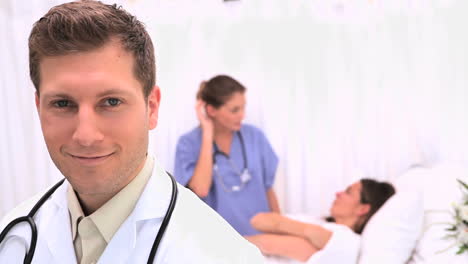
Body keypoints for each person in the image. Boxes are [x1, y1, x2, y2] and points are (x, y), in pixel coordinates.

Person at [0, 1, 264, 263]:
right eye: (62, 103)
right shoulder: (13, 236)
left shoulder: (225, 255)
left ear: (152, 108)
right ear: (38, 107)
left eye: (111, 102)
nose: (86, 136)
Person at [174, 75, 280, 236]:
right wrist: (208, 133)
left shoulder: (255, 136)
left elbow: (268, 189)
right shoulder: (188, 144)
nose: (242, 115)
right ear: (211, 110)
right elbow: (200, 189)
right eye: (234, 110)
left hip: (263, 239)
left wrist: (281, 227)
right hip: (219, 243)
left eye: (243, 108)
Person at [245, 178, 395, 263]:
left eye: (348, 192)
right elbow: (258, 220)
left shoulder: (349, 241)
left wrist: (281, 226)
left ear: (363, 209)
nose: (338, 193)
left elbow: (269, 244)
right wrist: (307, 234)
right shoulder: (317, 221)